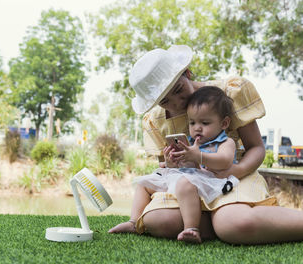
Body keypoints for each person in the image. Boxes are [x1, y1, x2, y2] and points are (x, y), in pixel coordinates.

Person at [109, 45, 303, 244]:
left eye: (178, 90)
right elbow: (169, 167)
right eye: (165, 101)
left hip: (233, 174)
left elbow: (256, 147)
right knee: (158, 220)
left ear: (187, 72)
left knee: (237, 223)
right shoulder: (156, 120)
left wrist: (236, 171)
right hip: (191, 181)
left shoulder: (226, 94)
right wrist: (171, 162)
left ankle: (229, 221)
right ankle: (220, 220)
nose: (177, 103)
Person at [110, 86, 239, 243]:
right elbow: (190, 167)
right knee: (144, 184)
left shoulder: (226, 142)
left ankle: (191, 228)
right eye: (192, 123)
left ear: (224, 123)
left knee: (185, 184)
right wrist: (172, 162)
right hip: (190, 178)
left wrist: (198, 156)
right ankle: (134, 222)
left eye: (205, 123)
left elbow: (224, 161)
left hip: (212, 180)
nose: (197, 128)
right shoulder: (191, 143)